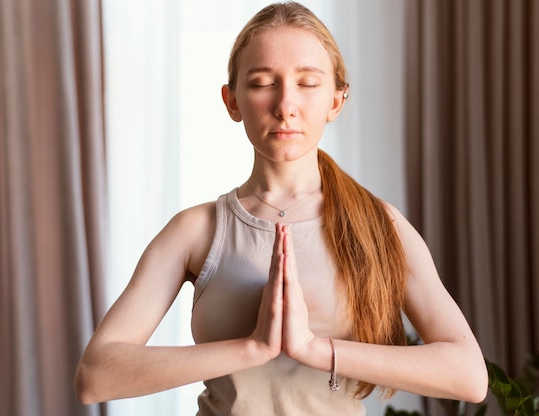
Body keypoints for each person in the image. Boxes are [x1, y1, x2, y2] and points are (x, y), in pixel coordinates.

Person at [75, 2, 488, 414]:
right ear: (232, 100)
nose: (285, 104)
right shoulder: (195, 231)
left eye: (307, 83)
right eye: (261, 83)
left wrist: (313, 349)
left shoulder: (380, 225)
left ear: (336, 100)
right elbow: (96, 376)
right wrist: (252, 347)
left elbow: (468, 375)